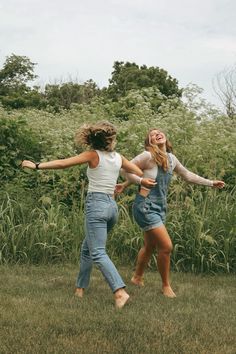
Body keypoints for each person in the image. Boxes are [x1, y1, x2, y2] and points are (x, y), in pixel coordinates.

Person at [21, 121, 143, 308]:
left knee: (97, 252)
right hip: (112, 208)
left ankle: (119, 292)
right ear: (110, 140)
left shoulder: (92, 155)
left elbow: (63, 164)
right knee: (87, 248)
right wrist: (120, 181)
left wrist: (36, 165)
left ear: (94, 139)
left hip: (97, 206)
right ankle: (80, 289)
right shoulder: (118, 157)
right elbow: (137, 171)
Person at [116, 128, 225, 298]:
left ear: (165, 138)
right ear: (149, 142)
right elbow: (124, 168)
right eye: (152, 134)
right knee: (166, 246)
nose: (157, 134)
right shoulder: (147, 156)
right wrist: (137, 181)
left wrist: (211, 183)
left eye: (159, 132)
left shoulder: (171, 159)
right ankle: (166, 286)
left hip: (160, 208)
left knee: (150, 246)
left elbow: (187, 175)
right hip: (145, 206)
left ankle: (137, 278)